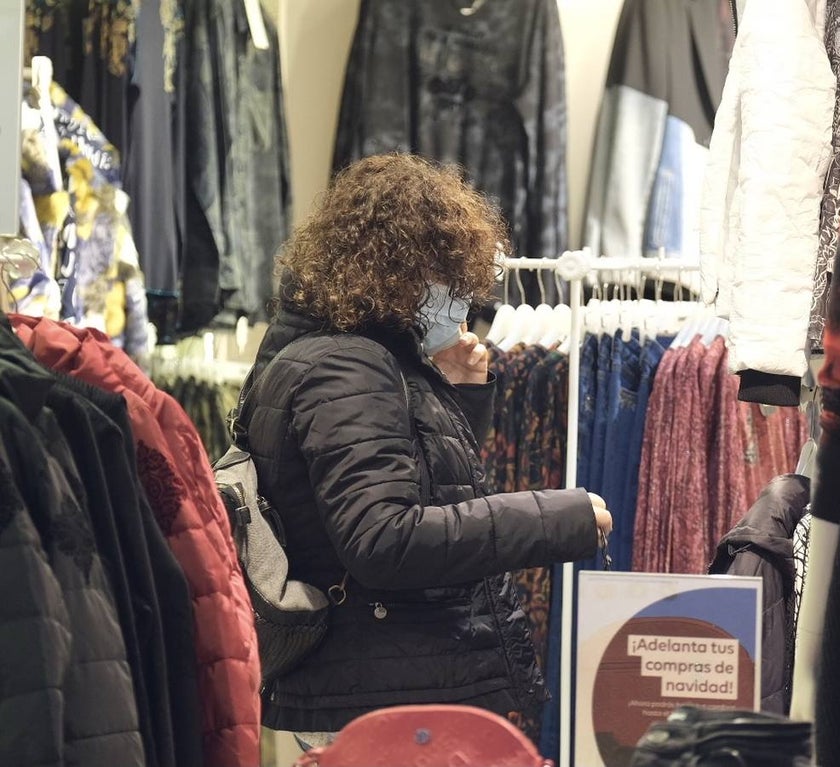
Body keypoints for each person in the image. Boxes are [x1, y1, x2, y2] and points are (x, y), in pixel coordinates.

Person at [238, 154, 611, 747]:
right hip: (379, 698)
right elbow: (385, 539)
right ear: (400, 269)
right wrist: (555, 517)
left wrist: (459, 396)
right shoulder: (346, 366)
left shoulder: (336, 352)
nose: (458, 300)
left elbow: (409, 482)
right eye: (445, 278)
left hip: (375, 683)